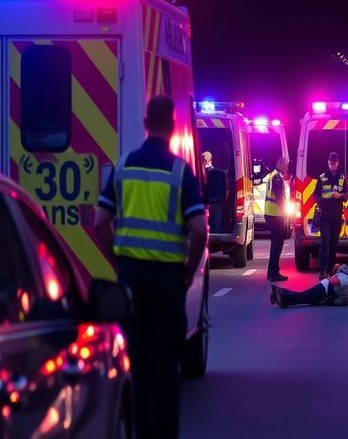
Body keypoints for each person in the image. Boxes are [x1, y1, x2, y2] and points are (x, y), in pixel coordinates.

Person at [94, 96, 207, 439]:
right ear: (172, 126)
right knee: (166, 371)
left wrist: (118, 262)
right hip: (168, 284)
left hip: (130, 282)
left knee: (138, 369)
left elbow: (100, 222)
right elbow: (200, 230)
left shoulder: (124, 166)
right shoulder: (180, 172)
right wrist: (188, 273)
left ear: (145, 123)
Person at [269, 259, 348, 307]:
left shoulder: (346, 278)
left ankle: (283, 297)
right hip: (325, 293)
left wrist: (327, 278)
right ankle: (281, 293)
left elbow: (334, 282)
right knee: (304, 295)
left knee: (303, 296)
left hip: (323, 290)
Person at [313, 152, 348, 280]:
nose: (332, 165)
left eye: (334, 163)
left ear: (338, 163)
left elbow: (346, 196)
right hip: (325, 215)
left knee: (334, 244)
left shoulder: (341, 177)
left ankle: (330, 270)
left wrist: (340, 196)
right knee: (325, 242)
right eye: (330, 163)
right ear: (328, 163)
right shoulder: (322, 177)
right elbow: (315, 195)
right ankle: (322, 271)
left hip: (336, 216)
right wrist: (323, 201)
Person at [264, 155, 290, 282]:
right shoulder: (277, 178)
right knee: (277, 244)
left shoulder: (273, 175)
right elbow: (279, 198)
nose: (287, 167)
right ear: (280, 163)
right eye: (286, 165)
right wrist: (285, 211)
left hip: (271, 214)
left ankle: (272, 271)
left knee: (275, 244)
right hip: (275, 214)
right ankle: (273, 273)